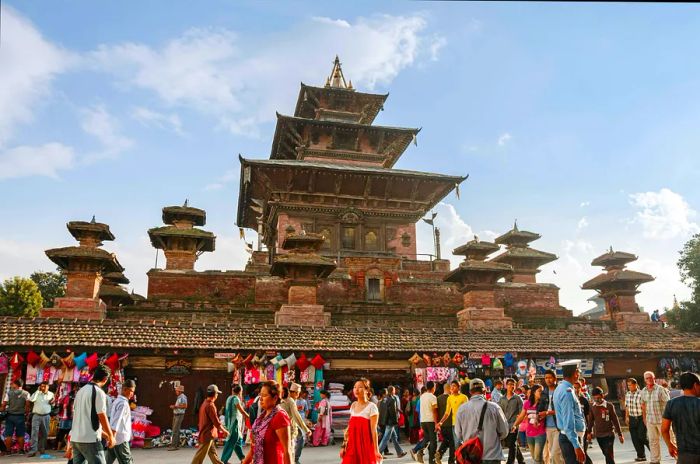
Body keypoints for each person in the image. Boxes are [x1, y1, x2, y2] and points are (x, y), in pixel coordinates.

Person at [454, 378, 509, 464]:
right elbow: (504, 431)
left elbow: (458, 433)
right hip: (492, 456)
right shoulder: (494, 407)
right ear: (484, 391)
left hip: (471, 457)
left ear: (470, 392)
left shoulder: (461, 409)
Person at [71, 364, 116, 464]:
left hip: (76, 439)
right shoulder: (99, 392)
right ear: (105, 379)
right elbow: (102, 416)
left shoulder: (80, 392)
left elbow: (83, 418)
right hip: (90, 440)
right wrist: (111, 436)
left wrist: (106, 436)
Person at [242, 380, 291, 464]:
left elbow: (287, 451)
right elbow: (254, 448)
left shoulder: (280, 416)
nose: (260, 399)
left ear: (275, 398)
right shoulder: (261, 418)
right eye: (260, 395)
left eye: (264, 395)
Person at [340, 378, 382, 464]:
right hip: (352, 446)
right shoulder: (353, 405)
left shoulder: (372, 407)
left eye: (360, 387)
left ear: (367, 390)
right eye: (355, 387)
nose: (356, 389)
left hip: (365, 445)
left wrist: (376, 450)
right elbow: (349, 429)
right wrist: (343, 446)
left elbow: (374, 431)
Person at [661, 371, 700, 464]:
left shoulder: (671, 403)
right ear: (695, 385)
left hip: (683, 455)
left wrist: (670, 445)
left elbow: (664, 429)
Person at [553, 361, 586, 464]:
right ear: (575, 373)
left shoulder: (560, 388)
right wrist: (577, 446)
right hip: (571, 439)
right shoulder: (567, 392)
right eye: (578, 371)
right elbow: (568, 421)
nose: (579, 373)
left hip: (569, 438)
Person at [192, 384, 229, 464]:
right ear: (215, 394)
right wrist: (225, 431)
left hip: (207, 434)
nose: (217, 395)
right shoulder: (210, 405)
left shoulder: (204, 403)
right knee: (198, 458)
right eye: (217, 393)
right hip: (207, 435)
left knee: (214, 456)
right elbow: (216, 422)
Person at [587, 387, 623, 464]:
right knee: (606, 454)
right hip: (599, 435)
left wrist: (620, 434)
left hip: (609, 434)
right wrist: (589, 432)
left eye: (598, 398)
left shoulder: (609, 406)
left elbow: (615, 420)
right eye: (595, 398)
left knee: (608, 454)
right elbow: (590, 420)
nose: (597, 400)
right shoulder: (592, 406)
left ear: (602, 396)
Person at [641, 370, 670, 464]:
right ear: (645, 380)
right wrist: (644, 418)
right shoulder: (643, 391)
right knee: (653, 441)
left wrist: (668, 419)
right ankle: (655, 460)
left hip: (662, 420)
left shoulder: (660, 389)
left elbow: (668, 404)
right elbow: (643, 405)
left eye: (650, 377)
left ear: (654, 378)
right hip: (650, 420)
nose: (649, 379)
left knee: (670, 440)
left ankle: (678, 458)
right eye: (647, 378)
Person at [513, 384, 547, 464]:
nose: (541, 393)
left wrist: (540, 417)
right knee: (535, 457)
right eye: (539, 391)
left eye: (542, 391)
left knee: (537, 458)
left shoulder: (544, 403)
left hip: (540, 433)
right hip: (529, 434)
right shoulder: (527, 403)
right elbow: (521, 416)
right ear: (534, 392)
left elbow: (546, 415)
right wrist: (515, 425)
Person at [280, 383, 311, 464]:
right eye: (296, 392)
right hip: (289, 428)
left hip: (285, 427)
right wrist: (306, 429)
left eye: (298, 393)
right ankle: (295, 459)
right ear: (292, 392)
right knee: (290, 449)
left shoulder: (284, 400)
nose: (298, 394)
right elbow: (296, 416)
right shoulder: (291, 401)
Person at [107, 379, 136, 464]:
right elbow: (116, 421)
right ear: (124, 389)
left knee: (107, 461)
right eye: (131, 391)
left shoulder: (117, 401)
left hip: (114, 437)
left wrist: (111, 437)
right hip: (120, 439)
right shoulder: (123, 403)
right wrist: (112, 437)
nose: (132, 394)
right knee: (127, 461)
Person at [538, 369, 563, 464]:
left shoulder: (560, 391)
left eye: (550, 377)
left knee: (555, 453)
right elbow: (540, 408)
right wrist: (538, 416)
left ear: (555, 378)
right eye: (546, 378)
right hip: (547, 427)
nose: (548, 380)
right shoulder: (544, 392)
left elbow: (563, 410)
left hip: (559, 426)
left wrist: (547, 413)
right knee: (554, 454)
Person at [411, 381, 439, 464]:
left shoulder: (422, 396)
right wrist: (436, 423)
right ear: (433, 387)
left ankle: (417, 451)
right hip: (430, 421)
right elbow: (434, 411)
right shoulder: (433, 397)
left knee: (427, 438)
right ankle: (431, 461)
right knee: (434, 441)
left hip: (423, 421)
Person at [221, 384, 250, 464]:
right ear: (240, 391)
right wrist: (248, 417)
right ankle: (224, 460)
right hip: (235, 424)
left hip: (230, 423)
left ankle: (243, 459)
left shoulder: (229, 398)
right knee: (231, 441)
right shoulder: (236, 399)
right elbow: (241, 410)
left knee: (237, 442)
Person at [499, 378, 525, 464]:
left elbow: (522, 412)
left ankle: (510, 462)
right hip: (505, 425)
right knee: (512, 444)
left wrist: (518, 422)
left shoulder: (518, 398)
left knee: (512, 444)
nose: (511, 386)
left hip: (515, 424)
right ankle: (521, 461)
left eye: (513, 384)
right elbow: (499, 412)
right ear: (506, 386)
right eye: (509, 384)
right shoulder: (502, 399)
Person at [1, 378, 30, 455]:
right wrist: (26, 413)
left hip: (10, 416)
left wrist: (3, 410)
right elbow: (27, 405)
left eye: (13, 384)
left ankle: (8, 451)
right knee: (20, 434)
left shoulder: (9, 393)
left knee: (8, 434)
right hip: (20, 416)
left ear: (16, 385)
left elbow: (4, 405)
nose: (11, 385)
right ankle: (21, 450)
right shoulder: (26, 393)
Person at [27, 381, 55, 457]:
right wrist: (37, 391)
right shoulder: (37, 393)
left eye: (44, 386)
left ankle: (41, 448)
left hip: (46, 416)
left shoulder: (51, 394)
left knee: (44, 433)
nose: (42, 388)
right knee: (34, 433)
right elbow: (31, 399)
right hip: (36, 415)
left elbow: (53, 404)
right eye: (41, 386)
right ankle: (33, 450)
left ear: (47, 387)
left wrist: (52, 402)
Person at [378, 385, 406, 458]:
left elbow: (381, 411)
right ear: (392, 391)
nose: (395, 391)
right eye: (394, 390)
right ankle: (378, 453)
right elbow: (393, 412)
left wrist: (382, 420)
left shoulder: (384, 399)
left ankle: (400, 452)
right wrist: (395, 421)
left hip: (385, 420)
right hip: (390, 421)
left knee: (394, 437)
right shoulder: (392, 399)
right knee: (386, 438)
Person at [624, 378, 648, 462]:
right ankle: (641, 456)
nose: (629, 387)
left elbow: (645, 406)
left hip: (641, 418)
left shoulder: (642, 393)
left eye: (630, 385)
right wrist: (626, 417)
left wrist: (645, 418)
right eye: (628, 385)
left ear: (635, 385)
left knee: (642, 436)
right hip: (632, 418)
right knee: (635, 438)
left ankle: (653, 451)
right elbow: (627, 406)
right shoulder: (627, 394)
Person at [573, 381, 592, 464]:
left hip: (582, 428)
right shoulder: (569, 399)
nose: (576, 389)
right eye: (574, 387)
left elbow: (588, 416)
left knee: (583, 450)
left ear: (581, 388)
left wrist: (589, 430)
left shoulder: (584, 400)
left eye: (578, 388)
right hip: (572, 428)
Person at [169, 385, 188, 450]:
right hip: (176, 414)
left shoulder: (183, 397)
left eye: (176, 390)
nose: (176, 391)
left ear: (179, 391)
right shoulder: (179, 397)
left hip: (179, 415)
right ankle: (176, 445)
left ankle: (174, 446)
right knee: (176, 430)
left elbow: (185, 406)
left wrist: (175, 407)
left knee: (175, 430)